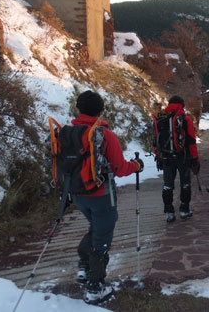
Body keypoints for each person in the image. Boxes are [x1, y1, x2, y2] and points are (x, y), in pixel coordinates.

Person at [71, 90, 144, 304]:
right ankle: (95, 287)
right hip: (102, 194)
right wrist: (137, 166)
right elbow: (120, 168)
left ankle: (85, 268)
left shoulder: (69, 133)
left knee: (96, 228)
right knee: (102, 239)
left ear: (79, 109)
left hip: (77, 194)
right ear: (101, 111)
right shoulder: (104, 135)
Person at [154, 95, 200, 222]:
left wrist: (158, 157)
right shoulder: (185, 119)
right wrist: (195, 159)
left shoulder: (160, 118)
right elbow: (191, 141)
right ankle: (184, 210)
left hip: (166, 157)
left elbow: (156, 140)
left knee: (168, 185)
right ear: (182, 105)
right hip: (183, 156)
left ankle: (169, 212)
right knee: (185, 183)